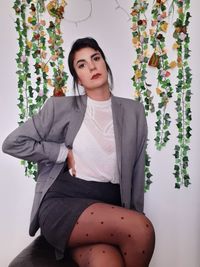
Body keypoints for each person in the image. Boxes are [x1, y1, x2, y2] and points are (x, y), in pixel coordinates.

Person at [2, 37, 155, 267]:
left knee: (108, 261)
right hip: (64, 202)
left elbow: (136, 171)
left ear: (105, 62)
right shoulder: (60, 108)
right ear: (78, 79)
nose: (92, 66)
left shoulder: (133, 112)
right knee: (141, 229)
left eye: (96, 58)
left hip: (107, 205)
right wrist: (61, 153)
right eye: (81, 65)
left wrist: (130, 213)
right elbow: (12, 142)